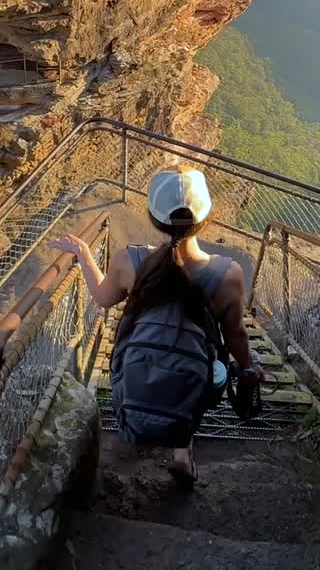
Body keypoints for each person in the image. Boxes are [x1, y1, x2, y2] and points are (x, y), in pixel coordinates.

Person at [52, 165, 263, 485]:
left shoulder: (129, 261)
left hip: (137, 373)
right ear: (206, 219)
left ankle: (145, 426)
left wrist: (84, 253)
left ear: (153, 216)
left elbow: (102, 298)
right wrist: (248, 367)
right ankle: (182, 449)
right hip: (199, 384)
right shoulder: (228, 275)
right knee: (208, 370)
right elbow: (235, 335)